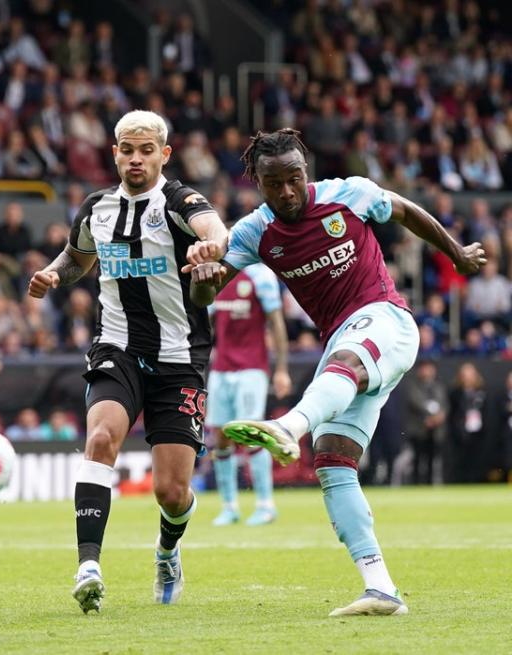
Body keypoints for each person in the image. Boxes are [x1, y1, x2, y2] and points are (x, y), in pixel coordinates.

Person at [187, 128, 486, 617]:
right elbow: (207, 294)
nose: (285, 191)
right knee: (332, 460)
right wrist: (202, 278)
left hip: (385, 320)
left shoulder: (349, 193)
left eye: (293, 178)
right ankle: (380, 587)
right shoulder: (254, 232)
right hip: (342, 345)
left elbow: (407, 211)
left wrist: (456, 252)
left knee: (343, 364)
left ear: (306, 171)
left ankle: (287, 426)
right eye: (272, 183)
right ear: (256, 183)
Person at [28, 110, 227, 612]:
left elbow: (213, 227)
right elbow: (78, 258)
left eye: (145, 150)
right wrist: (53, 275)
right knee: (99, 439)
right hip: (117, 347)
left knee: (171, 492)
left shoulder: (181, 202)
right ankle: (88, 565)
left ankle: (167, 550)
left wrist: (210, 246)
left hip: (181, 358)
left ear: (164, 154)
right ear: (114, 152)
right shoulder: (97, 207)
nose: (134, 159)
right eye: (126, 149)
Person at [206, 262, 291, 526]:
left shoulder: (260, 275)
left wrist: (281, 369)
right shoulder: (215, 275)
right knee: (219, 437)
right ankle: (229, 506)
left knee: (251, 435)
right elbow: (207, 323)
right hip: (220, 368)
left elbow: (276, 323)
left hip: (252, 368)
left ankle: (266, 505)